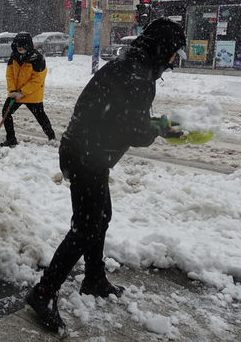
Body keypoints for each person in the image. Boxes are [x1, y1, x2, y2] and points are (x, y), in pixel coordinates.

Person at [26, 18, 188, 331]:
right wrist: (162, 129)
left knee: (100, 216)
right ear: (163, 48)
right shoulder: (137, 75)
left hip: (85, 151)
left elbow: (126, 119)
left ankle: (94, 278)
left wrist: (156, 126)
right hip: (87, 154)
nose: (172, 60)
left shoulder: (132, 65)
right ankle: (43, 293)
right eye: (173, 52)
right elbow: (136, 129)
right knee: (86, 227)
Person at [0, 32, 55, 147]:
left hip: (32, 95)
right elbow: (10, 74)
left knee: (40, 116)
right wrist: (13, 90)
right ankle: (11, 139)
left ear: (28, 46)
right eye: (18, 46)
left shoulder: (38, 59)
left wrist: (22, 92)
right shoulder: (14, 56)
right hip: (15, 94)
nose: (19, 48)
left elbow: (37, 81)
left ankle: (52, 137)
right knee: (6, 112)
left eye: (22, 46)